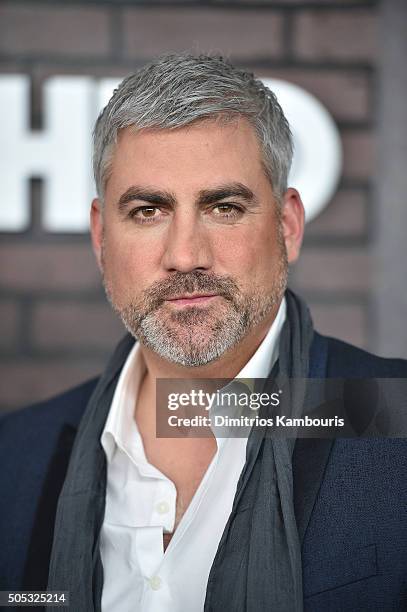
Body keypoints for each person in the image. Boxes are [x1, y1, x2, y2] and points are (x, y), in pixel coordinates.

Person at [0, 53, 406, 612]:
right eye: (148, 211)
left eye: (223, 206)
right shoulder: (14, 457)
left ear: (286, 228)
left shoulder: (395, 422)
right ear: (100, 238)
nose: (186, 255)